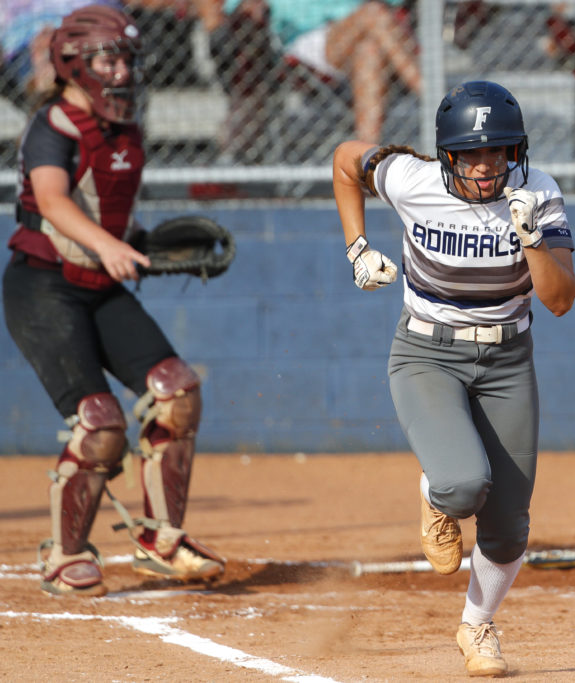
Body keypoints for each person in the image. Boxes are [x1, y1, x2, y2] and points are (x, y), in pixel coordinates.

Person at [332, 80, 575, 676]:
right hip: (427, 352)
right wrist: (357, 247)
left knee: (510, 521)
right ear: (447, 155)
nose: (487, 165)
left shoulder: (537, 192)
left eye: (499, 151)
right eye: (472, 153)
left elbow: (561, 299)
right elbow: (345, 160)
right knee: (464, 484)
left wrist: (533, 240)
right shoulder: (410, 180)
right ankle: (435, 493)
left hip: (508, 358)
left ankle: (477, 627)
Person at [2, 4, 225, 597]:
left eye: (125, 58)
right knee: (100, 425)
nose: (120, 71)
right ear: (73, 63)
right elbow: (52, 201)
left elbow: (103, 209)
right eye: (106, 58)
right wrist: (108, 245)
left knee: (176, 392)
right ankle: (65, 555)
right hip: (43, 287)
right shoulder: (54, 124)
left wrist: (137, 245)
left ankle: (160, 540)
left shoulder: (125, 126)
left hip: (99, 285)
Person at [195, 0, 421, 154]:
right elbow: (231, 8)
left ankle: (367, 158)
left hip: (356, 32)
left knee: (369, 49)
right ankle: (434, 97)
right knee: (373, 14)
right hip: (305, 41)